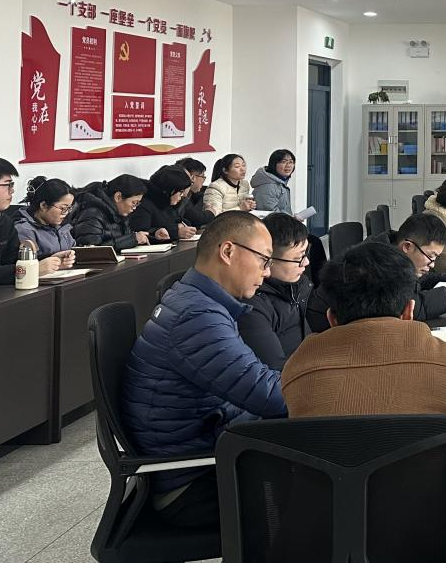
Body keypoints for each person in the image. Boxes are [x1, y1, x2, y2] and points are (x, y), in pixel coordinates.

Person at [121, 211, 286, 527]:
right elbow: (268, 396)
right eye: (264, 260)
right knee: (315, 489)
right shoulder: (197, 317)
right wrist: (323, 385)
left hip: (206, 451)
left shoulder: (195, 298)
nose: (267, 272)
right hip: (190, 481)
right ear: (228, 251)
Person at [282, 239, 446, 442]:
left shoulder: (298, 368)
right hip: (425, 491)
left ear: (331, 318)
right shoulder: (444, 361)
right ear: (408, 312)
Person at [308, 213, 446, 329]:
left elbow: (418, 280)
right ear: (407, 246)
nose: (433, 264)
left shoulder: (393, 249)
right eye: (431, 256)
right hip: (327, 329)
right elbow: (410, 306)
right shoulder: (376, 265)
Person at [238, 213, 313, 370]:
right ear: (268, 260)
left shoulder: (300, 285)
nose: (306, 262)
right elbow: (275, 369)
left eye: (306, 253)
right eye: (298, 258)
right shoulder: (252, 307)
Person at [73, 175, 150, 250]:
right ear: (118, 197)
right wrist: (132, 240)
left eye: (137, 204)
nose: (135, 207)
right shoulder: (92, 214)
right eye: (134, 202)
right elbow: (91, 250)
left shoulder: (120, 214)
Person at [9, 177, 77, 260]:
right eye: (63, 208)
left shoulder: (61, 228)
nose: (66, 213)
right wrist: (53, 261)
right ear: (44, 205)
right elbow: (25, 264)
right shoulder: (24, 229)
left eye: (69, 208)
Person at [130, 166, 195, 243]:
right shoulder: (144, 204)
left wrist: (182, 226)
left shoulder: (166, 202)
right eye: (180, 192)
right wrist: (176, 232)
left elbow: (177, 220)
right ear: (170, 190)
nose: (182, 196)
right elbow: (141, 234)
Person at [174, 157, 214, 228]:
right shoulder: (179, 194)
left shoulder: (191, 193)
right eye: (202, 177)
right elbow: (196, 218)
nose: (203, 180)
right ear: (192, 177)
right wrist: (210, 212)